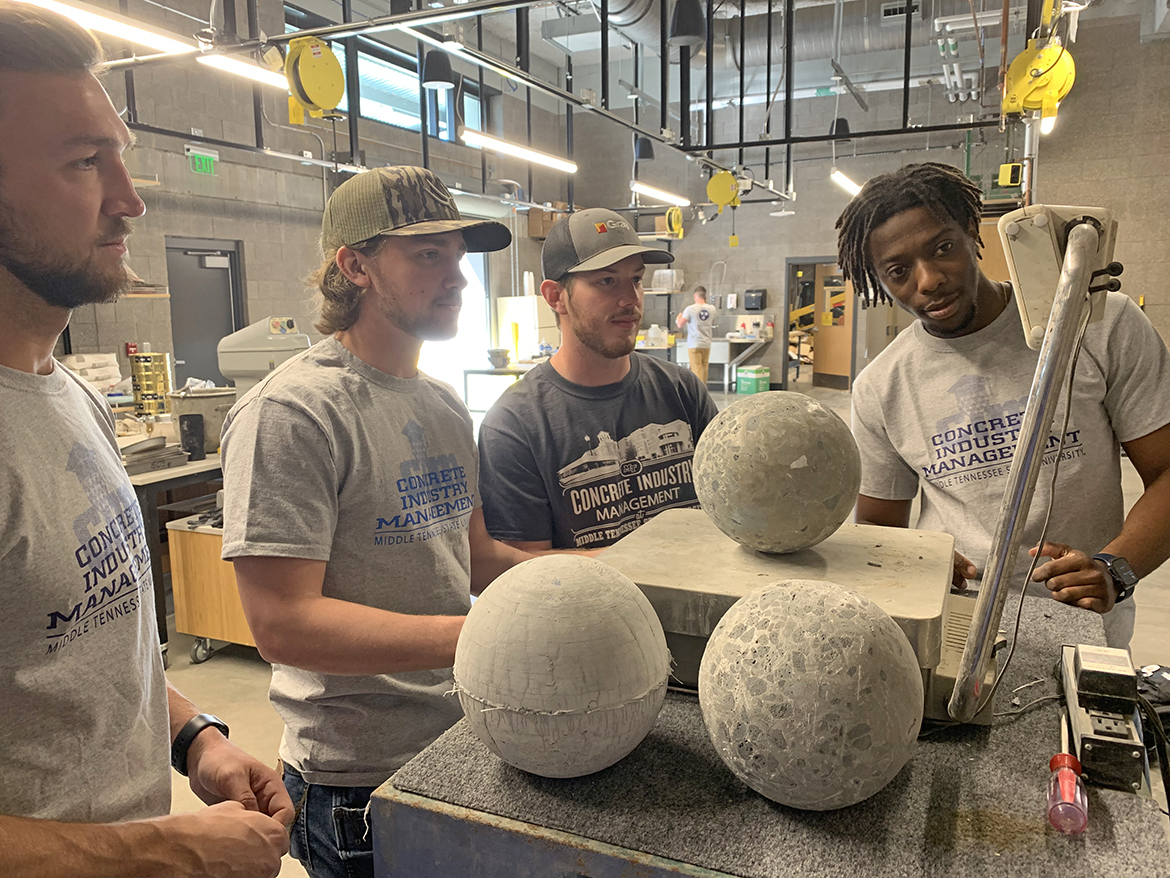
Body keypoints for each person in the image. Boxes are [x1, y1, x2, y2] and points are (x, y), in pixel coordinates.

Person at [0, 6, 293, 876]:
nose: (130, 199)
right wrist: (162, 849)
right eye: (85, 162)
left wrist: (195, 738)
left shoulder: (66, 395)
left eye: (119, 157)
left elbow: (75, 656)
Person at [220, 165, 533, 878]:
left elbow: (477, 558)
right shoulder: (293, 413)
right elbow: (283, 624)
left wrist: (589, 582)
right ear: (354, 266)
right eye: (428, 255)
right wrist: (488, 638)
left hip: (460, 737)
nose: (457, 278)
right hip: (356, 785)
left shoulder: (442, 404)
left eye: (458, 255)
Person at [838, 162, 1170, 649]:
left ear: (972, 232)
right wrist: (913, 560)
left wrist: (1114, 569)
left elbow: (1166, 472)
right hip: (953, 620)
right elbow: (879, 527)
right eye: (898, 271)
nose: (928, 280)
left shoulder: (1096, 324)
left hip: (1081, 620)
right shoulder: (880, 386)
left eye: (943, 248)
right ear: (878, 280)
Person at [478, 208, 719, 553]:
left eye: (636, 279)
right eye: (606, 281)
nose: (631, 300)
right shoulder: (515, 425)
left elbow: (731, 512)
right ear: (555, 297)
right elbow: (528, 565)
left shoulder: (683, 392)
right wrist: (652, 564)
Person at [675, 285, 717, 383]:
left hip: (694, 343)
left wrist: (679, 317)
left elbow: (680, 324)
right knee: (704, 367)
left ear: (695, 296)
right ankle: (704, 387)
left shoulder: (690, 309)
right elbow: (712, 322)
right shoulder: (712, 309)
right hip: (706, 343)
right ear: (705, 296)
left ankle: (699, 389)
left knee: (696, 368)